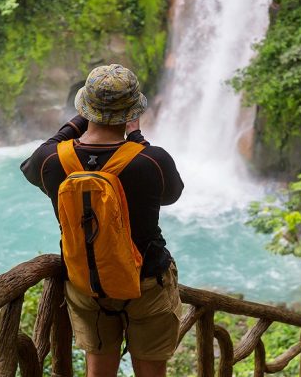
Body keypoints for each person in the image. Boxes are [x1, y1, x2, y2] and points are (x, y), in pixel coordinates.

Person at [20, 64, 184, 377]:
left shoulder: (52, 160)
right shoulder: (152, 159)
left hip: (87, 283)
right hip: (146, 282)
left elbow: (33, 160)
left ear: (84, 109)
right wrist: (136, 136)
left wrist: (76, 123)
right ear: (132, 112)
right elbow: (171, 194)